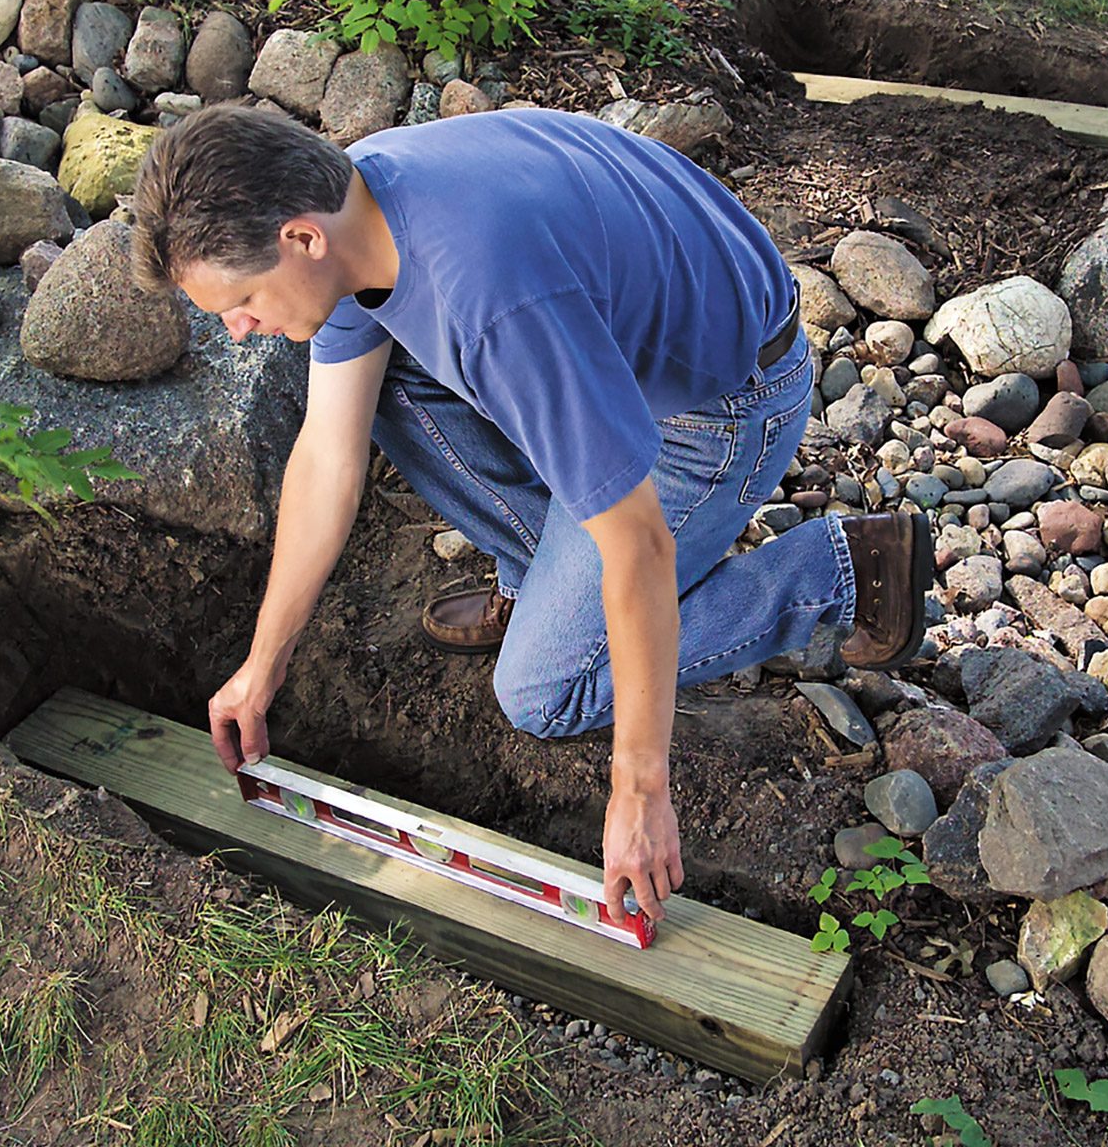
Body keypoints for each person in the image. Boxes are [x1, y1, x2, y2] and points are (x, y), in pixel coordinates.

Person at [130, 103, 930, 924]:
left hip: (717, 406)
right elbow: (327, 455)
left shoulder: (488, 301)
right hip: (616, 343)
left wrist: (640, 789)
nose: (237, 332)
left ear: (300, 238)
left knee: (545, 692)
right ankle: (545, 582)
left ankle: (837, 571)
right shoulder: (354, 208)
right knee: (387, 390)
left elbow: (639, 546)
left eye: (242, 300)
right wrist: (262, 668)